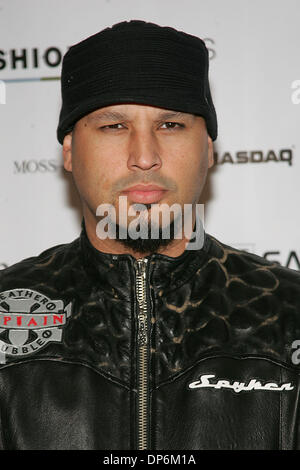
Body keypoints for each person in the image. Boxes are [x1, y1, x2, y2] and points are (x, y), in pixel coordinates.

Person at [0, 19, 300, 451]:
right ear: (69, 151)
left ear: (209, 149)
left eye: (171, 125)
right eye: (114, 126)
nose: (144, 157)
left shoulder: (287, 312)